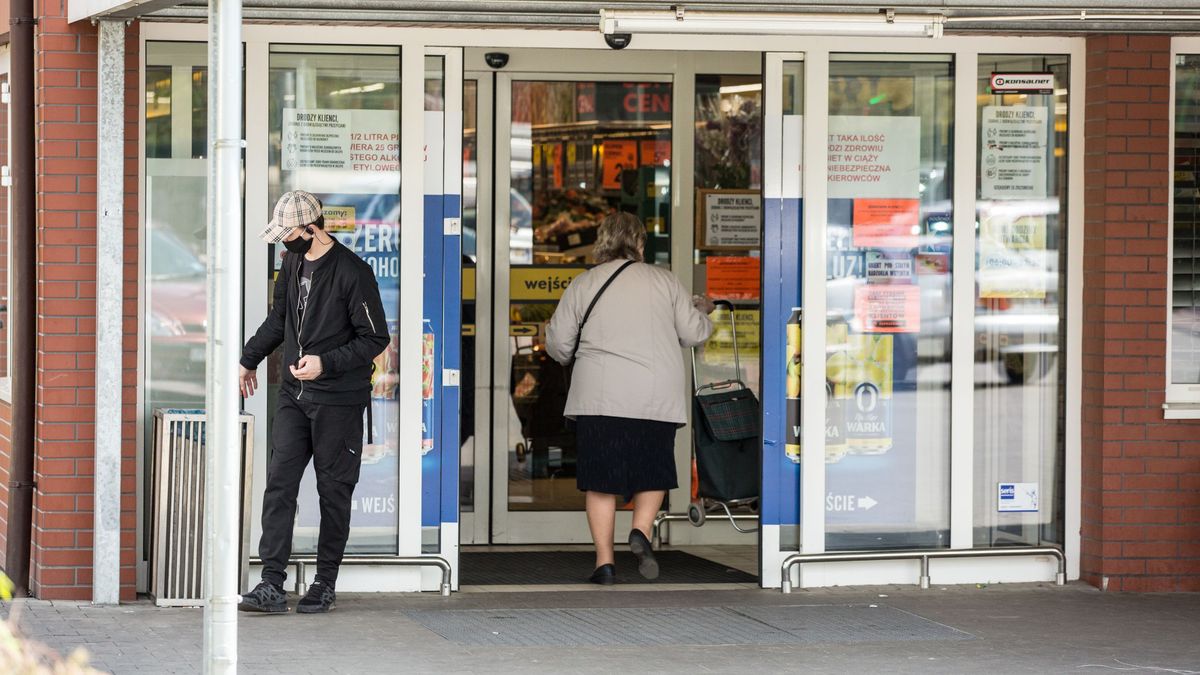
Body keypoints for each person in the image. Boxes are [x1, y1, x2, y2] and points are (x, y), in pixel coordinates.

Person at [237, 190, 389, 613]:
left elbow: (376, 338)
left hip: (339, 401)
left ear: (311, 229)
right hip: (293, 395)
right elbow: (279, 319)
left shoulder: (352, 272)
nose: (285, 243)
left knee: (333, 491)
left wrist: (326, 363)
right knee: (279, 483)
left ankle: (324, 582)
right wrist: (247, 360)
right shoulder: (291, 262)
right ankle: (271, 583)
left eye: (290, 235)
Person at [546, 211, 715, 584]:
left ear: (602, 241)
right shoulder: (664, 281)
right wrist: (705, 313)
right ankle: (641, 529)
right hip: (655, 396)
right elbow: (693, 333)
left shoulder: (584, 284)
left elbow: (558, 345)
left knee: (601, 481)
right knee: (652, 470)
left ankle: (604, 564)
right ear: (639, 243)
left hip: (600, 398)